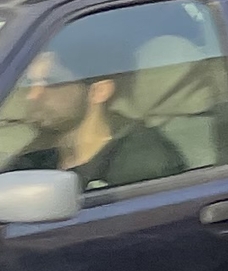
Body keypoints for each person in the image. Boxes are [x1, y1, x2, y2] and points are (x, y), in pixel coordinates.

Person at [5, 48, 184, 191]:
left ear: (99, 92)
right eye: (30, 83)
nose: (32, 95)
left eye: (52, 83)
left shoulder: (143, 165)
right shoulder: (38, 156)